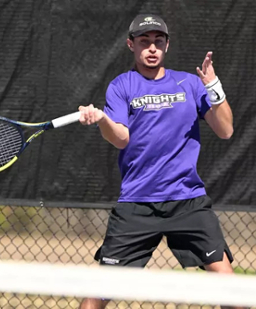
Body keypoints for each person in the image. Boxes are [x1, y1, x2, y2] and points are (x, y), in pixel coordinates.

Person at [77, 13, 241, 309]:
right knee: (98, 292)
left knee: (230, 288)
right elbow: (120, 138)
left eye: (158, 41)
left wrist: (214, 86)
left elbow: (226, 130)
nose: (151, 48)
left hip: (188, 200)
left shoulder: (190, 84)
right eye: (144, 41)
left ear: (167, 45)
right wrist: (102, 119)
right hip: (137, 204)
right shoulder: (121, 86)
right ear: (131, 45)